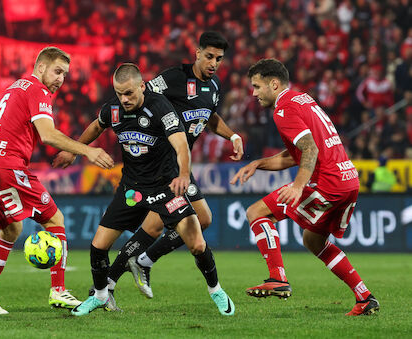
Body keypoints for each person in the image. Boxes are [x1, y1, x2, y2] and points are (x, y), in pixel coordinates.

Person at [54, 63, 235, 317]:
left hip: (165, 186)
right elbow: (97, 125)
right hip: (132, 189)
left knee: (196, 242)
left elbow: (181, 143)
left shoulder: (160, 106)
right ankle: (100, 296)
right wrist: (74, 150)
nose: (124, 99)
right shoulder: (113, 110)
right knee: (98, 246)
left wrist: (184, 175)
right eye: (119, 93)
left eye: (129, 93)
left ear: (142, 86)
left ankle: (216, 290)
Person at [0, 47, 114, 314]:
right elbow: (47, 134)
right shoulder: (38, 90)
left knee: (11, 230)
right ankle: (58, 291)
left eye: (65, 74)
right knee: (55, 219)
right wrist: (87, 151)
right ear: (40, 68)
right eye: (57, 71)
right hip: (5, 167)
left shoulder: (12, 89)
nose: (61, 79)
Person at [230, 58, 379, 316]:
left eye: (256, 86)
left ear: (274, 84)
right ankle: (364, 297)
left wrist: (299, 186)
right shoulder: (303, 99)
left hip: (327, 181)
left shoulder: (283, 110)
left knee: (256, 212)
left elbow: (310, 148)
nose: (253, 93)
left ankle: (277, 278)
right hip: (348, 180)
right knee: (313, 240)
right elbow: (295, 154)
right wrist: (258, 164)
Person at [104, 31, 243, 302]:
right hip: (161, 166)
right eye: (209, 56)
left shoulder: (214, 87)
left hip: (181, 166)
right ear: (197, 53)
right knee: (156, 227)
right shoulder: (173, 77)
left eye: (219, 59)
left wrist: (233, 135)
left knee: (201, 220)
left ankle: (139, 263)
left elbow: (209, 118)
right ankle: (109, 282)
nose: (214, 63)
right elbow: (138, 98)